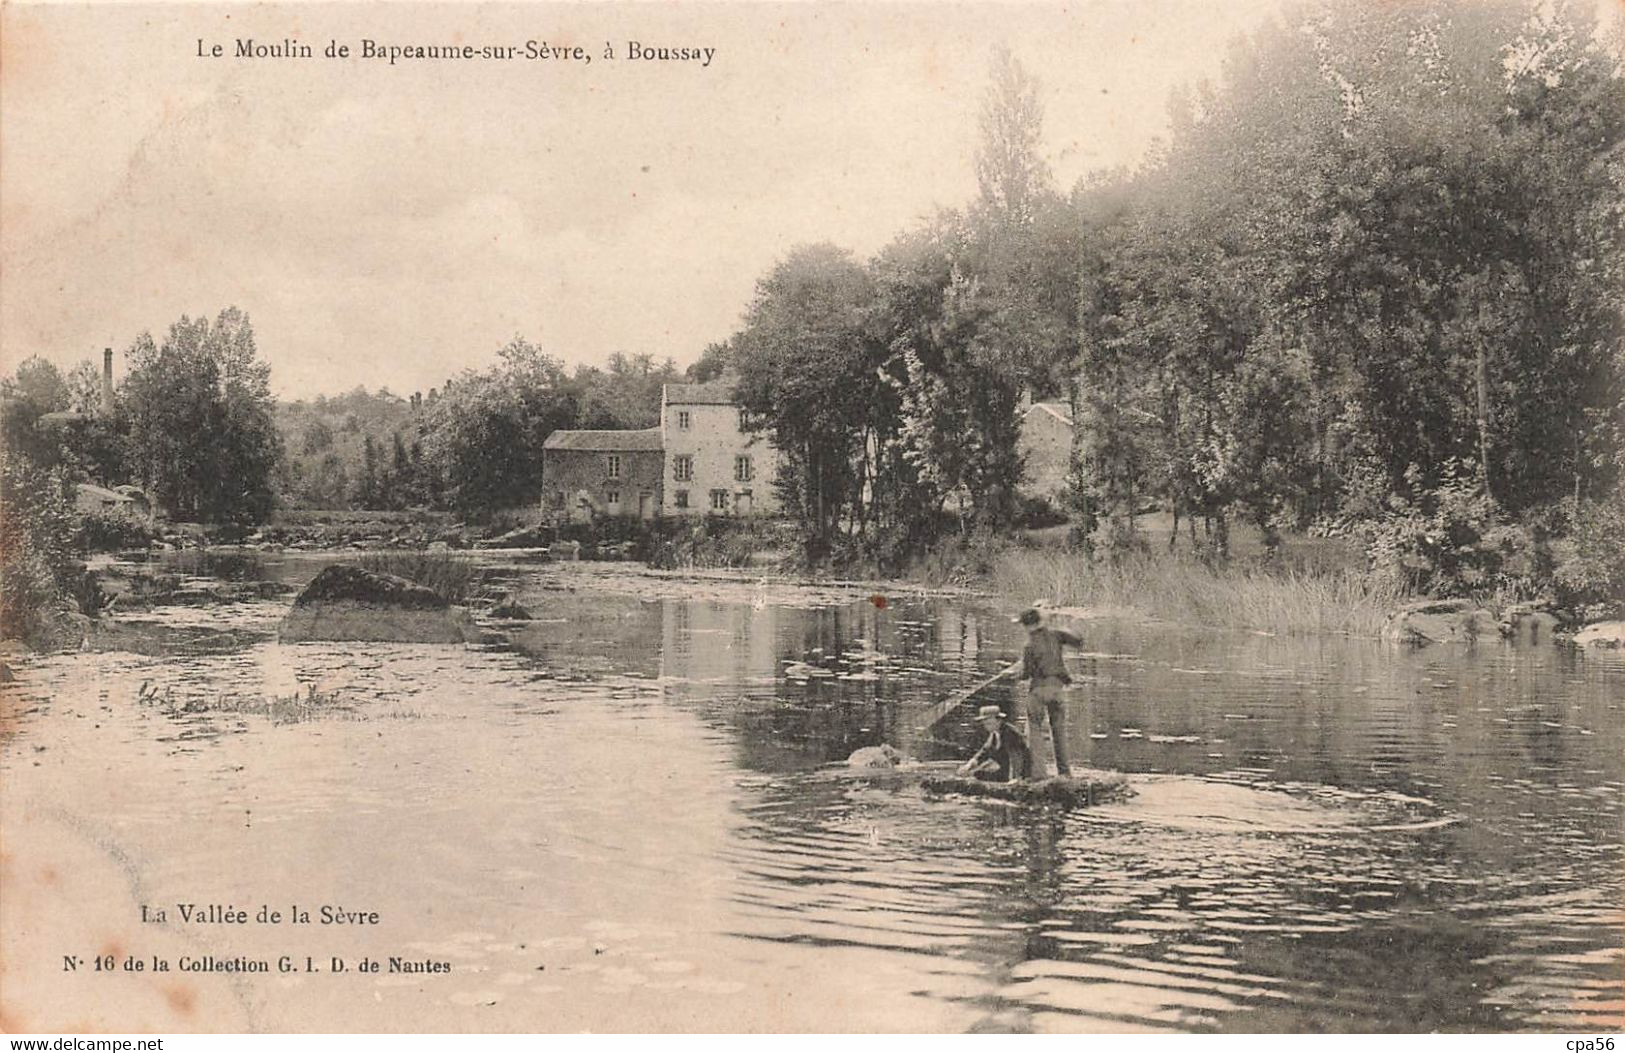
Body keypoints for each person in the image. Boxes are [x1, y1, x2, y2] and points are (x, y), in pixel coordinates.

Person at [1016, 606, 1081, 778]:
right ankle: (1065, 774)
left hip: (1038, 691)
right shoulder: (1056, 635)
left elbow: (1026, 673)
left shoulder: (1029, 645)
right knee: (1059, 733)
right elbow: (1078, 641)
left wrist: (1015, 674)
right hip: (1058, 691)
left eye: (1023, 625)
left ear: (1027, 625)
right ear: (1040, 621)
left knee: (1035, 731)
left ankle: (1039, 775)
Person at [958, 705, 1032, 782]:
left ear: (998, 720)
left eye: (989, 723)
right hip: (1004, 769)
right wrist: (970, 764)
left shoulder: (1010, 734)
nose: (986, 727)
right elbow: (985, 751)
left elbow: (1016, 758)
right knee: (978, 773)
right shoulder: (995, 733)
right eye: (985, 724)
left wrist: (1015, 778)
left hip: (1019, 772)